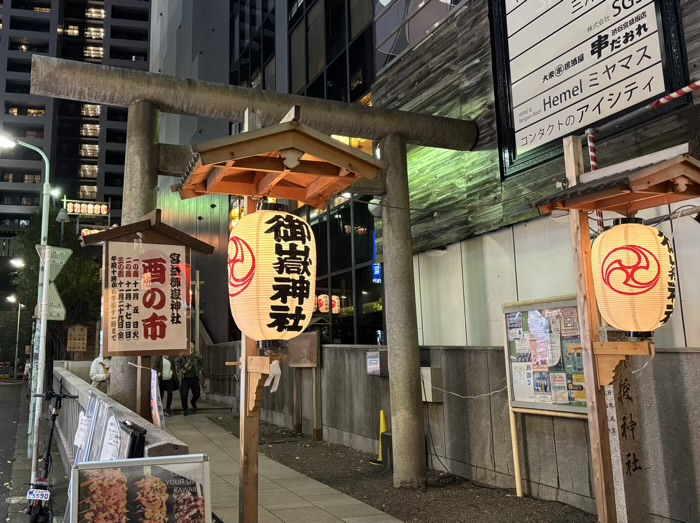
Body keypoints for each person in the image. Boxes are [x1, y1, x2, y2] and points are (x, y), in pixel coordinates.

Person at [177, 343, 202, 416]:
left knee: (197, 394)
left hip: (194, 377)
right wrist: (180, 370)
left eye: (192, 344)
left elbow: (201, 362)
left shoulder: (197, 354)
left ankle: (193, 401)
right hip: (185, 378)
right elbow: (178, 362)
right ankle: (185, 409)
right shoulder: (183, 353)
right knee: (184, 394)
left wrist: (200, 369)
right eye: (189, 344)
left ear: (194, 345)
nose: (190, 345)